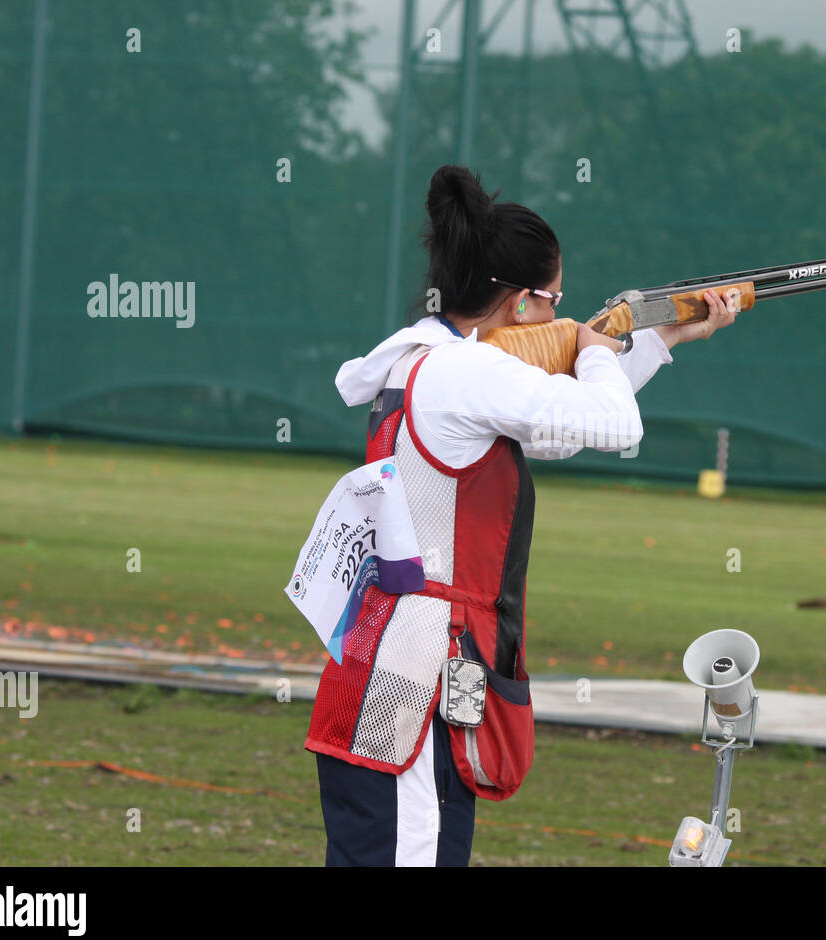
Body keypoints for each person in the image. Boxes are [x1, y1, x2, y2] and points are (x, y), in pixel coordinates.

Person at [306, 163, 736, 866]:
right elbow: (612, 426)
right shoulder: (466, 372)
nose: (561, 315)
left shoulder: (421, 361)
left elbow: (556, 427)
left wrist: (658, 341)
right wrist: (597, 351)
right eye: (556, 300)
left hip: (385, 668)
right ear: (523, 302)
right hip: (420, 688)